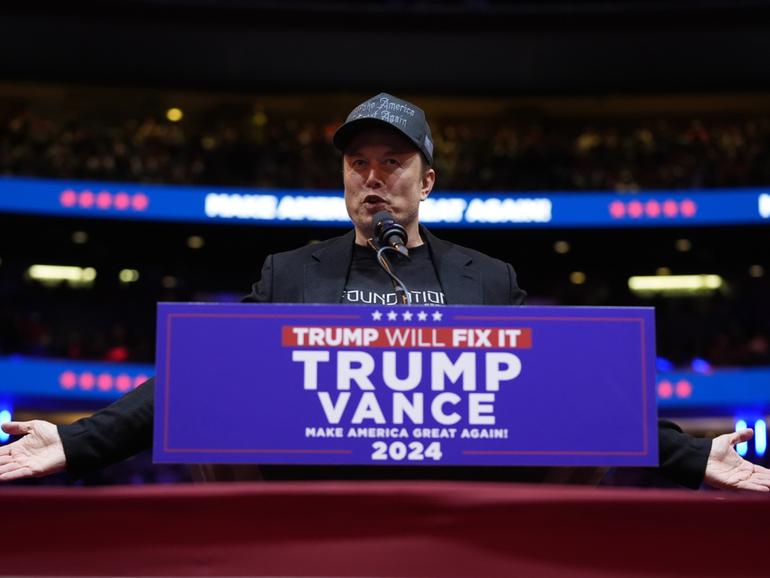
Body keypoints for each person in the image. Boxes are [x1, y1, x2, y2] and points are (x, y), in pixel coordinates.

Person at [2, 93, 769, 491]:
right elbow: (203, 380)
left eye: (393, 161)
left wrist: (691, 457)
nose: (373, 176)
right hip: (314, 514)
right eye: (358, 162)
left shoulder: (487, 278)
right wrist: (76, 440)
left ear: (427, 181)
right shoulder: (289, 273)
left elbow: (569, 388)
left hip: (462, 515)